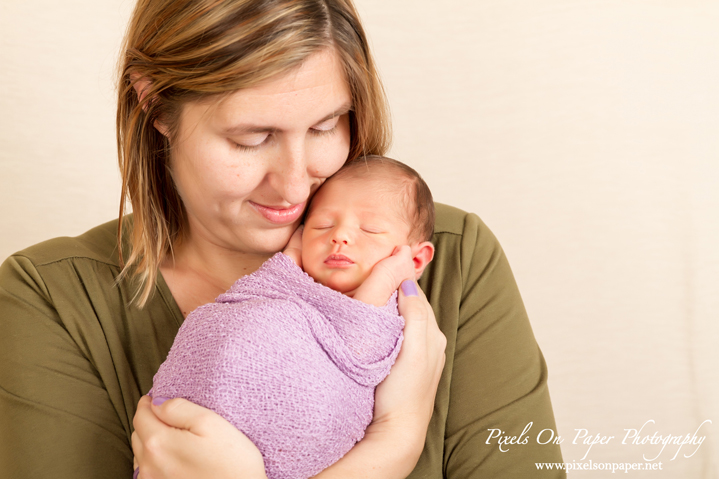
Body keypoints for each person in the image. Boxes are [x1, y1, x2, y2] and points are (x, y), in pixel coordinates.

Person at [0, 1, 565, 478]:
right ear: (155, 105)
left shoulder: (453, 257)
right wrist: (391, 446)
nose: (297, 183)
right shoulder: (50, 298)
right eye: (252, 138)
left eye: (325, 127)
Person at [150, 156, 436, 479]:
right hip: (189, 420)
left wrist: (384, 279)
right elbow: (250, 304)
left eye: (369, 229)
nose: (339, 236)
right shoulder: (283, 279)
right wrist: (289, 262)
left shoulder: (389, 312)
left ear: (415, 258)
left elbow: (359, 352)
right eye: (322, 225)